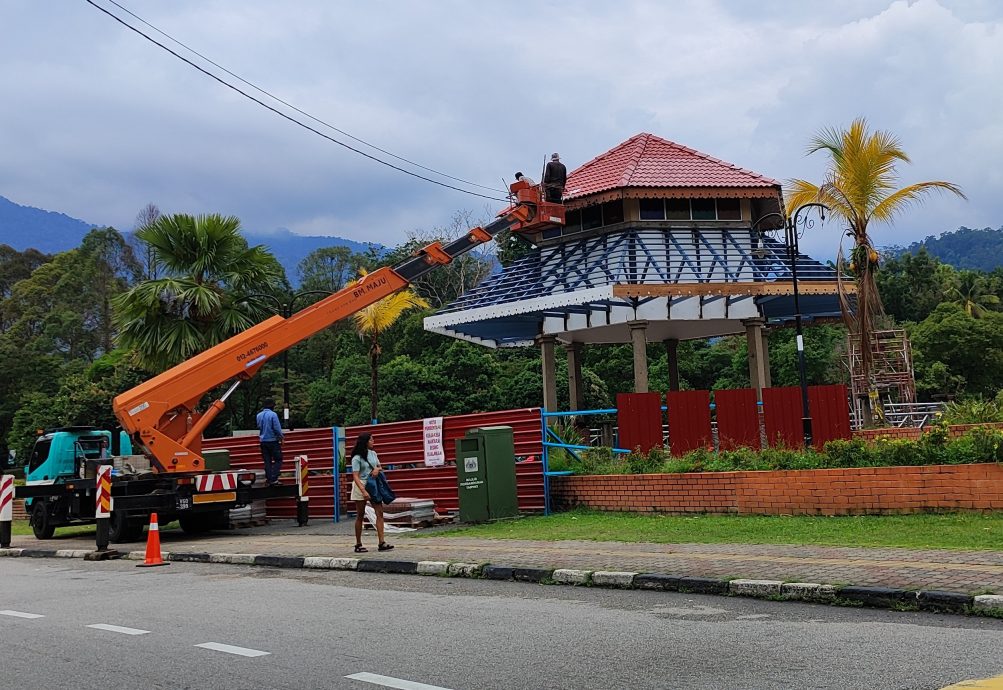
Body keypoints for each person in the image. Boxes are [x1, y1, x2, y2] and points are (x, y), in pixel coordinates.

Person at [350, 432, 393, 553]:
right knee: (360, 514)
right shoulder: (357, 457)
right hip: (361, 485)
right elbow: (355, 476)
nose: (373, 442)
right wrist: (363, 491)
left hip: (373, 485)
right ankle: (358, 544)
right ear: (365, 442)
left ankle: (382, 542)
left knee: (379, 512)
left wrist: (376, 469)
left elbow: (380, 467)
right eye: (371, 440)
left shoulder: (374, 454)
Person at [256, 398, 284, 486]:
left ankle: (269, 479)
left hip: (263, 441)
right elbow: (277, 428)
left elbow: (259, 426)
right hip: (272, 441)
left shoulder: (259, 415)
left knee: (267, 461)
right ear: (272, 406)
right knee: (278, 459)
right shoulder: (273, 415)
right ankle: (274, 478)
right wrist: (281, 438)